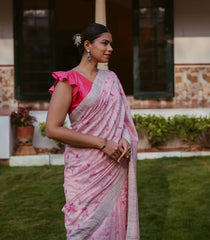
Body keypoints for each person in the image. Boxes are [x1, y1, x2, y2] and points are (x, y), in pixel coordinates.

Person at [46, 23, 140, 240]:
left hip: (115, 163)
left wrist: (125, 138)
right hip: (85, 170)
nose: (110, 48)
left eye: (111, 44)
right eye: (104, 43)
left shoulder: (112, 79)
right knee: (85, 229)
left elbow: (123, 119)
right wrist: (103, 144)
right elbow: (52, 128)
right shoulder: (68, 81)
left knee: (113, 225)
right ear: (87, 45)